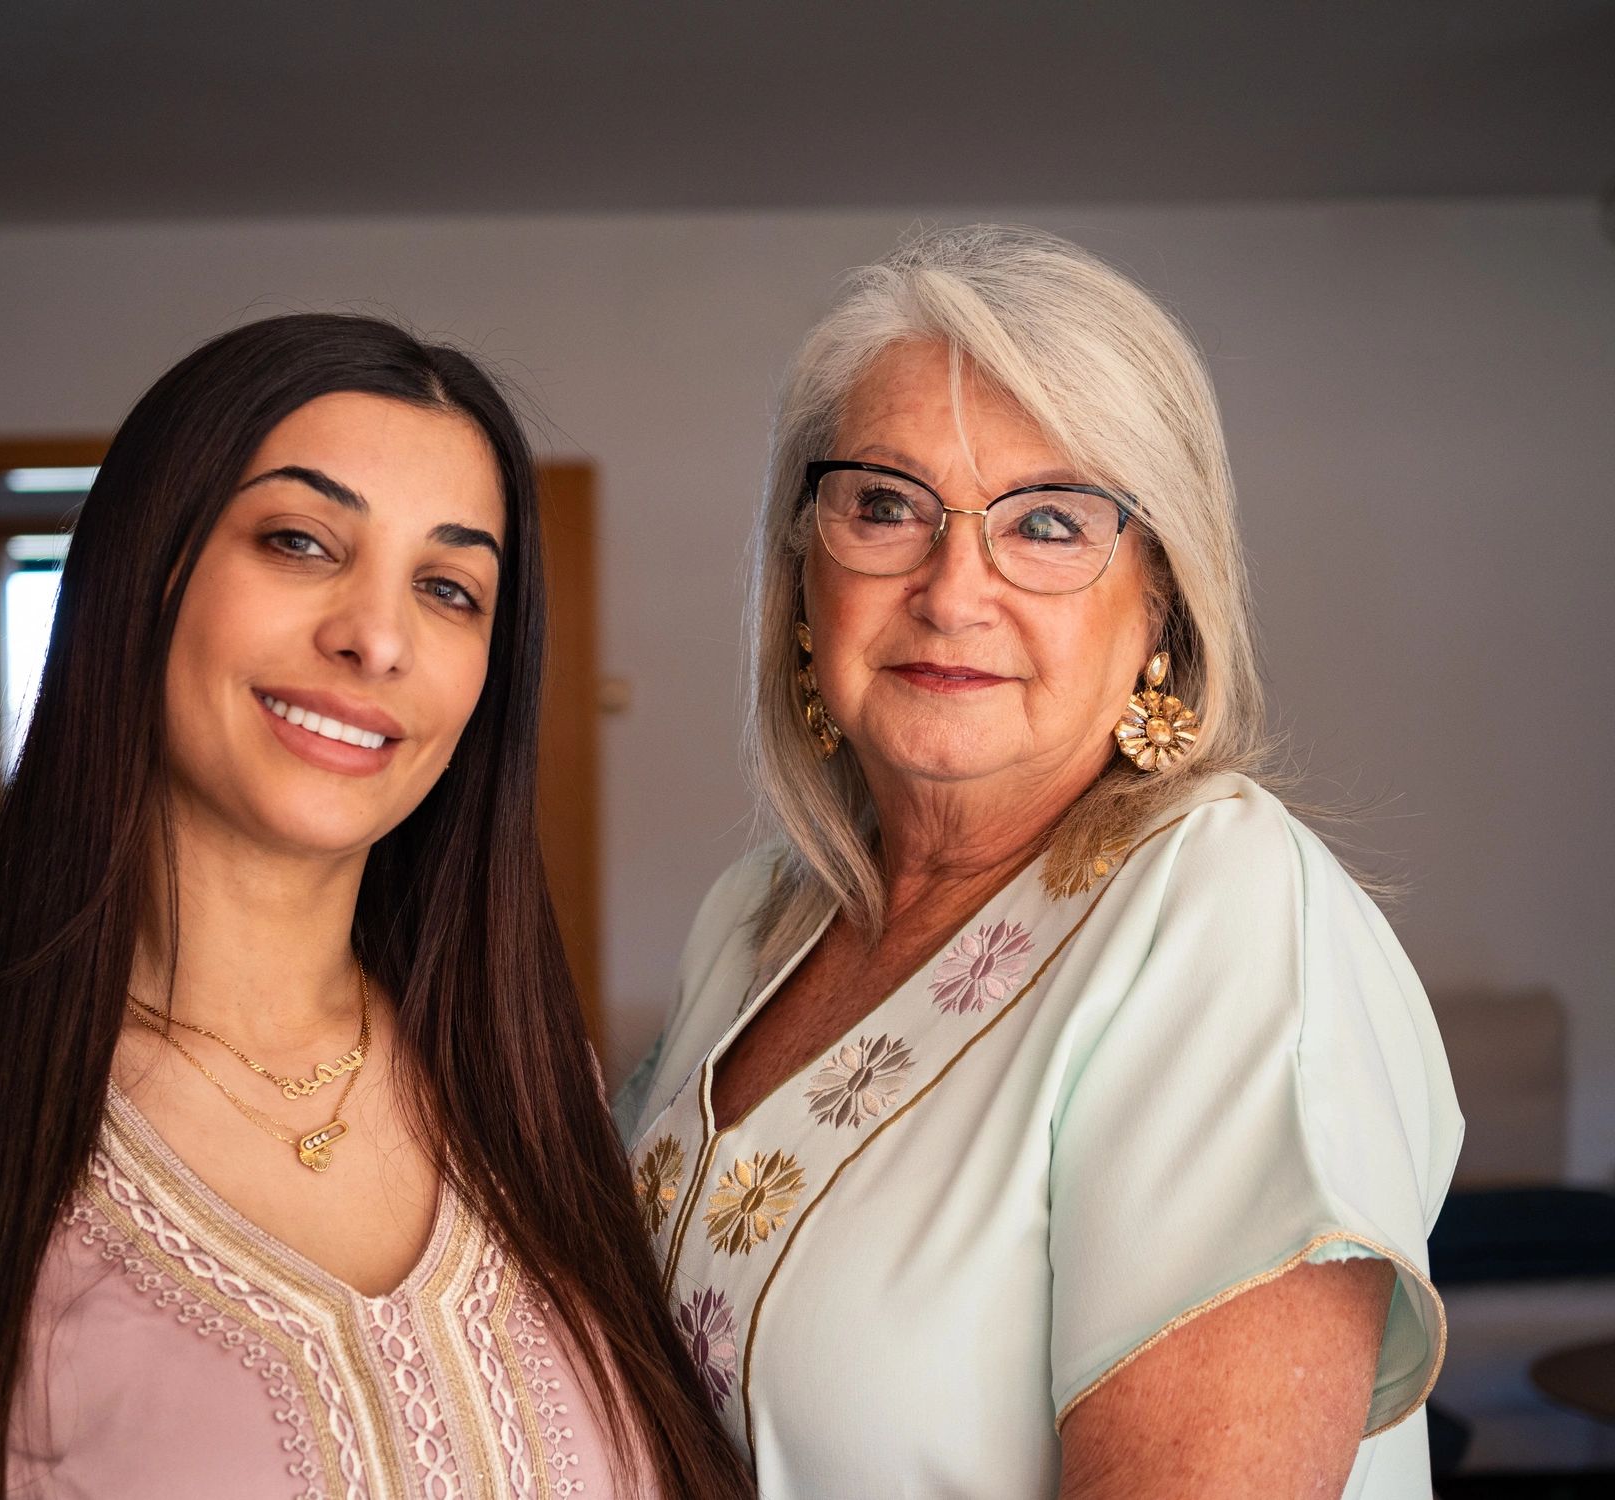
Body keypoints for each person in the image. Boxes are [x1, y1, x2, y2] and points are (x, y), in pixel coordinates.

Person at [0, 314, 751, 1500]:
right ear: (146, 573)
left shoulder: (529, 1087)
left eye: (447, 587)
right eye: (299, 541)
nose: (376, 638)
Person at [620, 227, 1460, 1497]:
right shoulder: (749, 925)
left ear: (1159, 600)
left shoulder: (1219, 909)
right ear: (801, 575)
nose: (953, 592)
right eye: (884, 506)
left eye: (1049, 523)